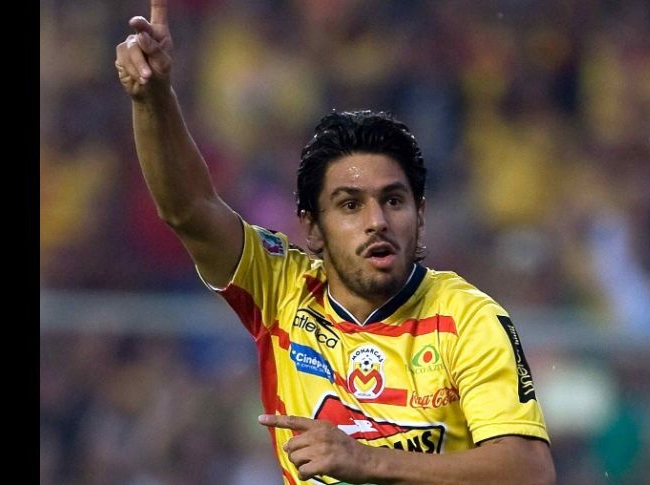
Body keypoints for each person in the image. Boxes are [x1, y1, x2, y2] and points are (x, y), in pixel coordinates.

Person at [115, 1, 556, 483]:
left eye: (394, 201)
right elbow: (189, 210)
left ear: (420, 215)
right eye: (350, 205)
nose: (377, 222)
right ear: (311, 227)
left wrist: (366, 460)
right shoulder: (281, 290)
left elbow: (528, 473)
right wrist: (152, 98)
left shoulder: (469, 319)